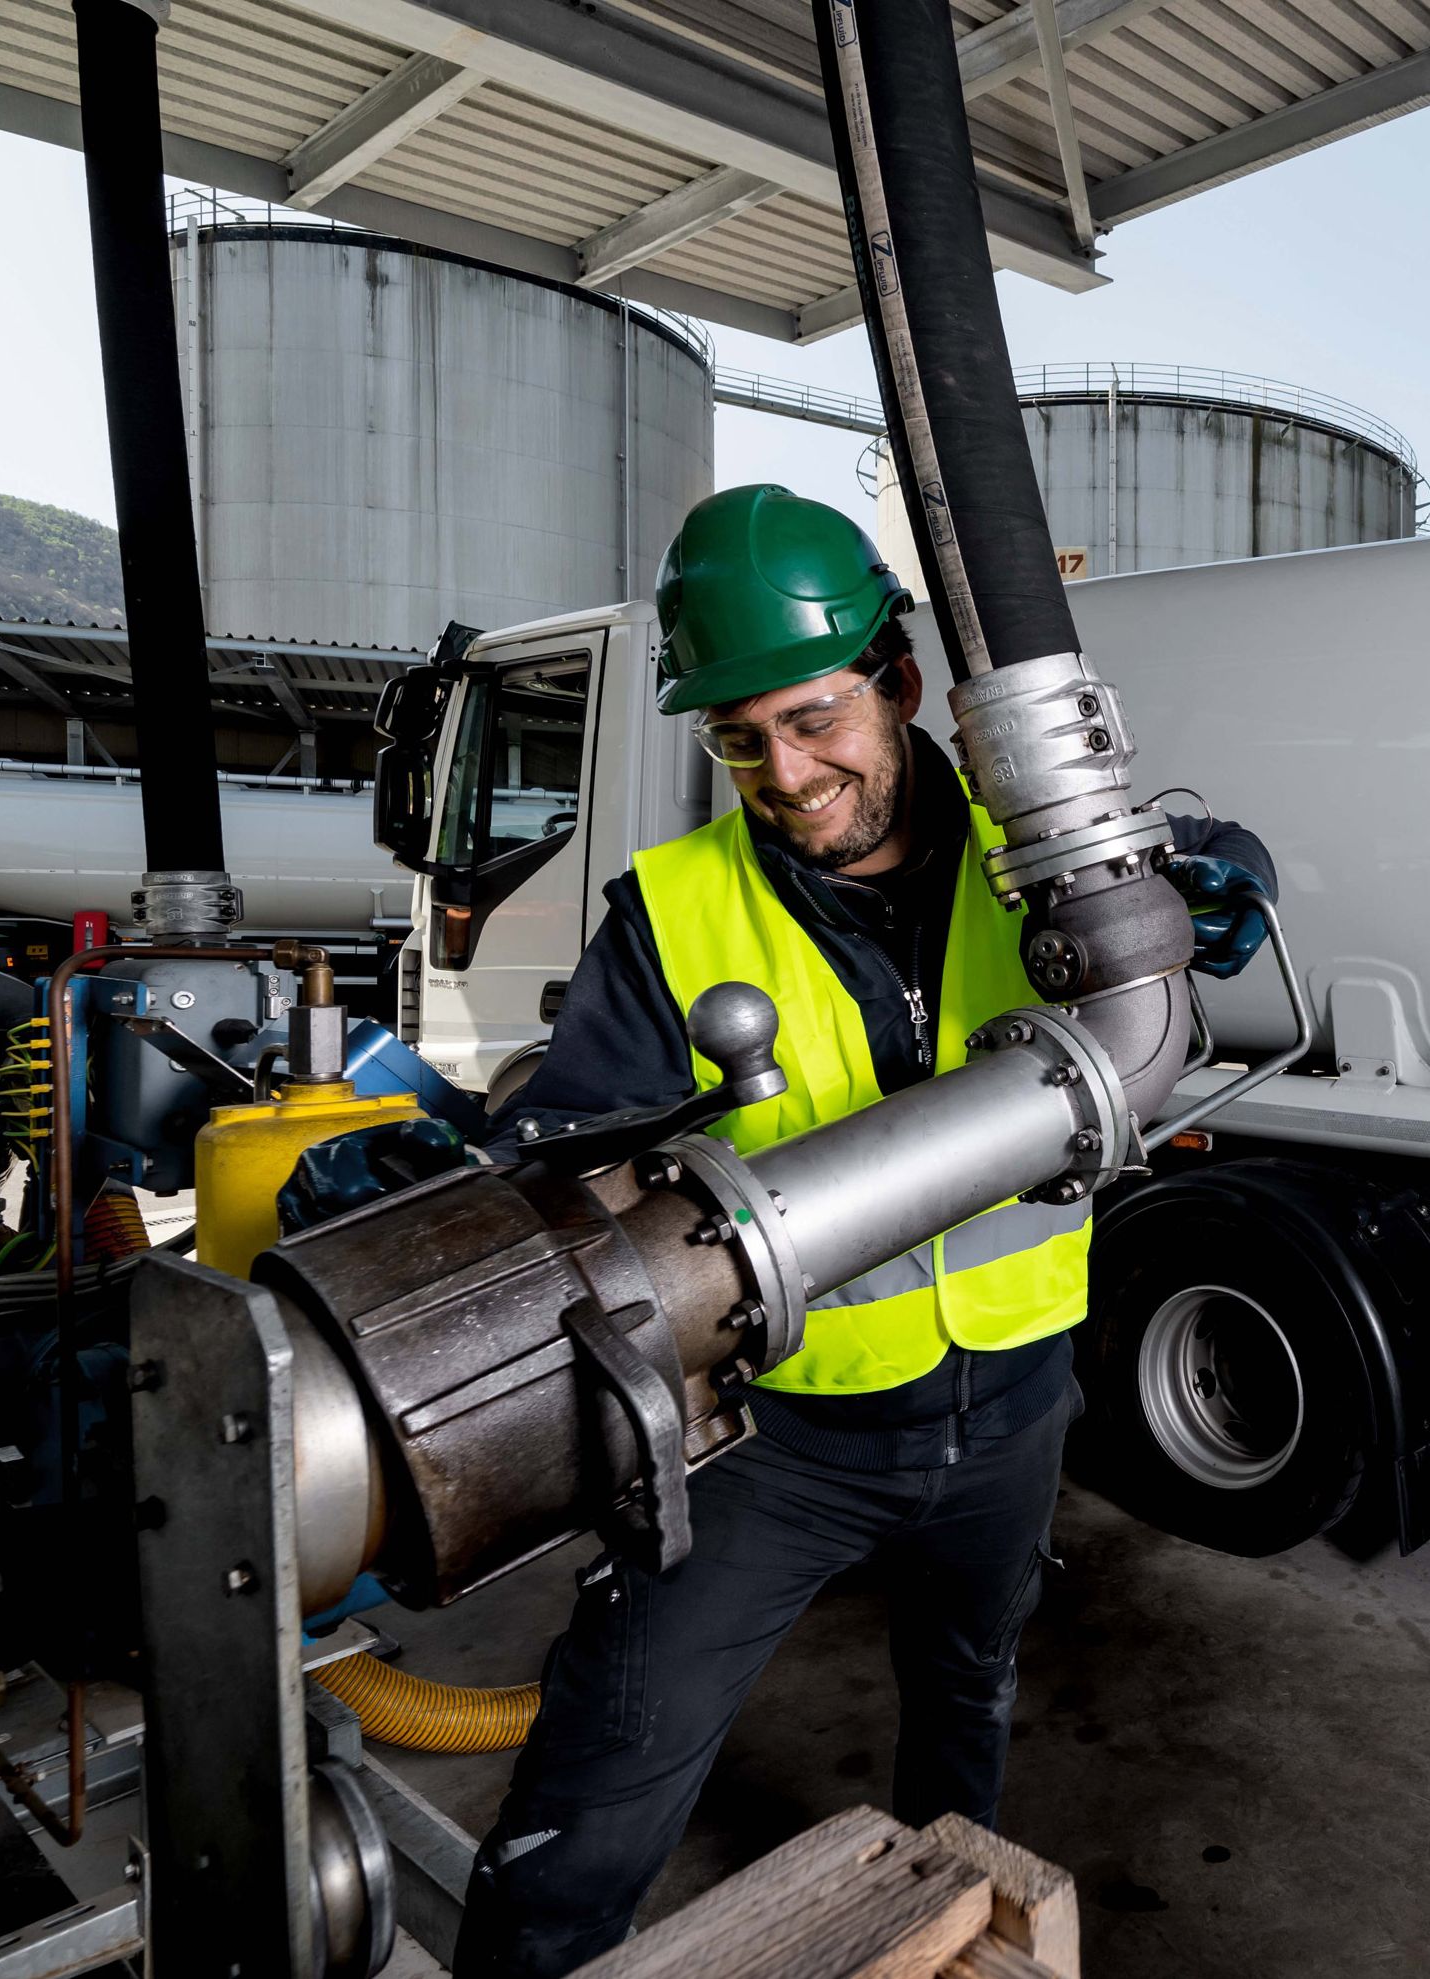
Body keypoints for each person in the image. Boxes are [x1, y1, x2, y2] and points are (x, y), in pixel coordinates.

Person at [451, 484, 1275, 1976]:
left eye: (816, 718)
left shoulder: (1042, 852)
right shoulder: (671, 911)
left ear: (899, 684)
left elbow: (1207, 845)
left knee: (969, 1693)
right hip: (780, 1442)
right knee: (601, 1779)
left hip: (1018, 1400)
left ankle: (947, 1917)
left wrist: (1219, 887)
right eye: (739, 738)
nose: (787, 770)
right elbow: (559, 1160)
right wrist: (469, 1184)